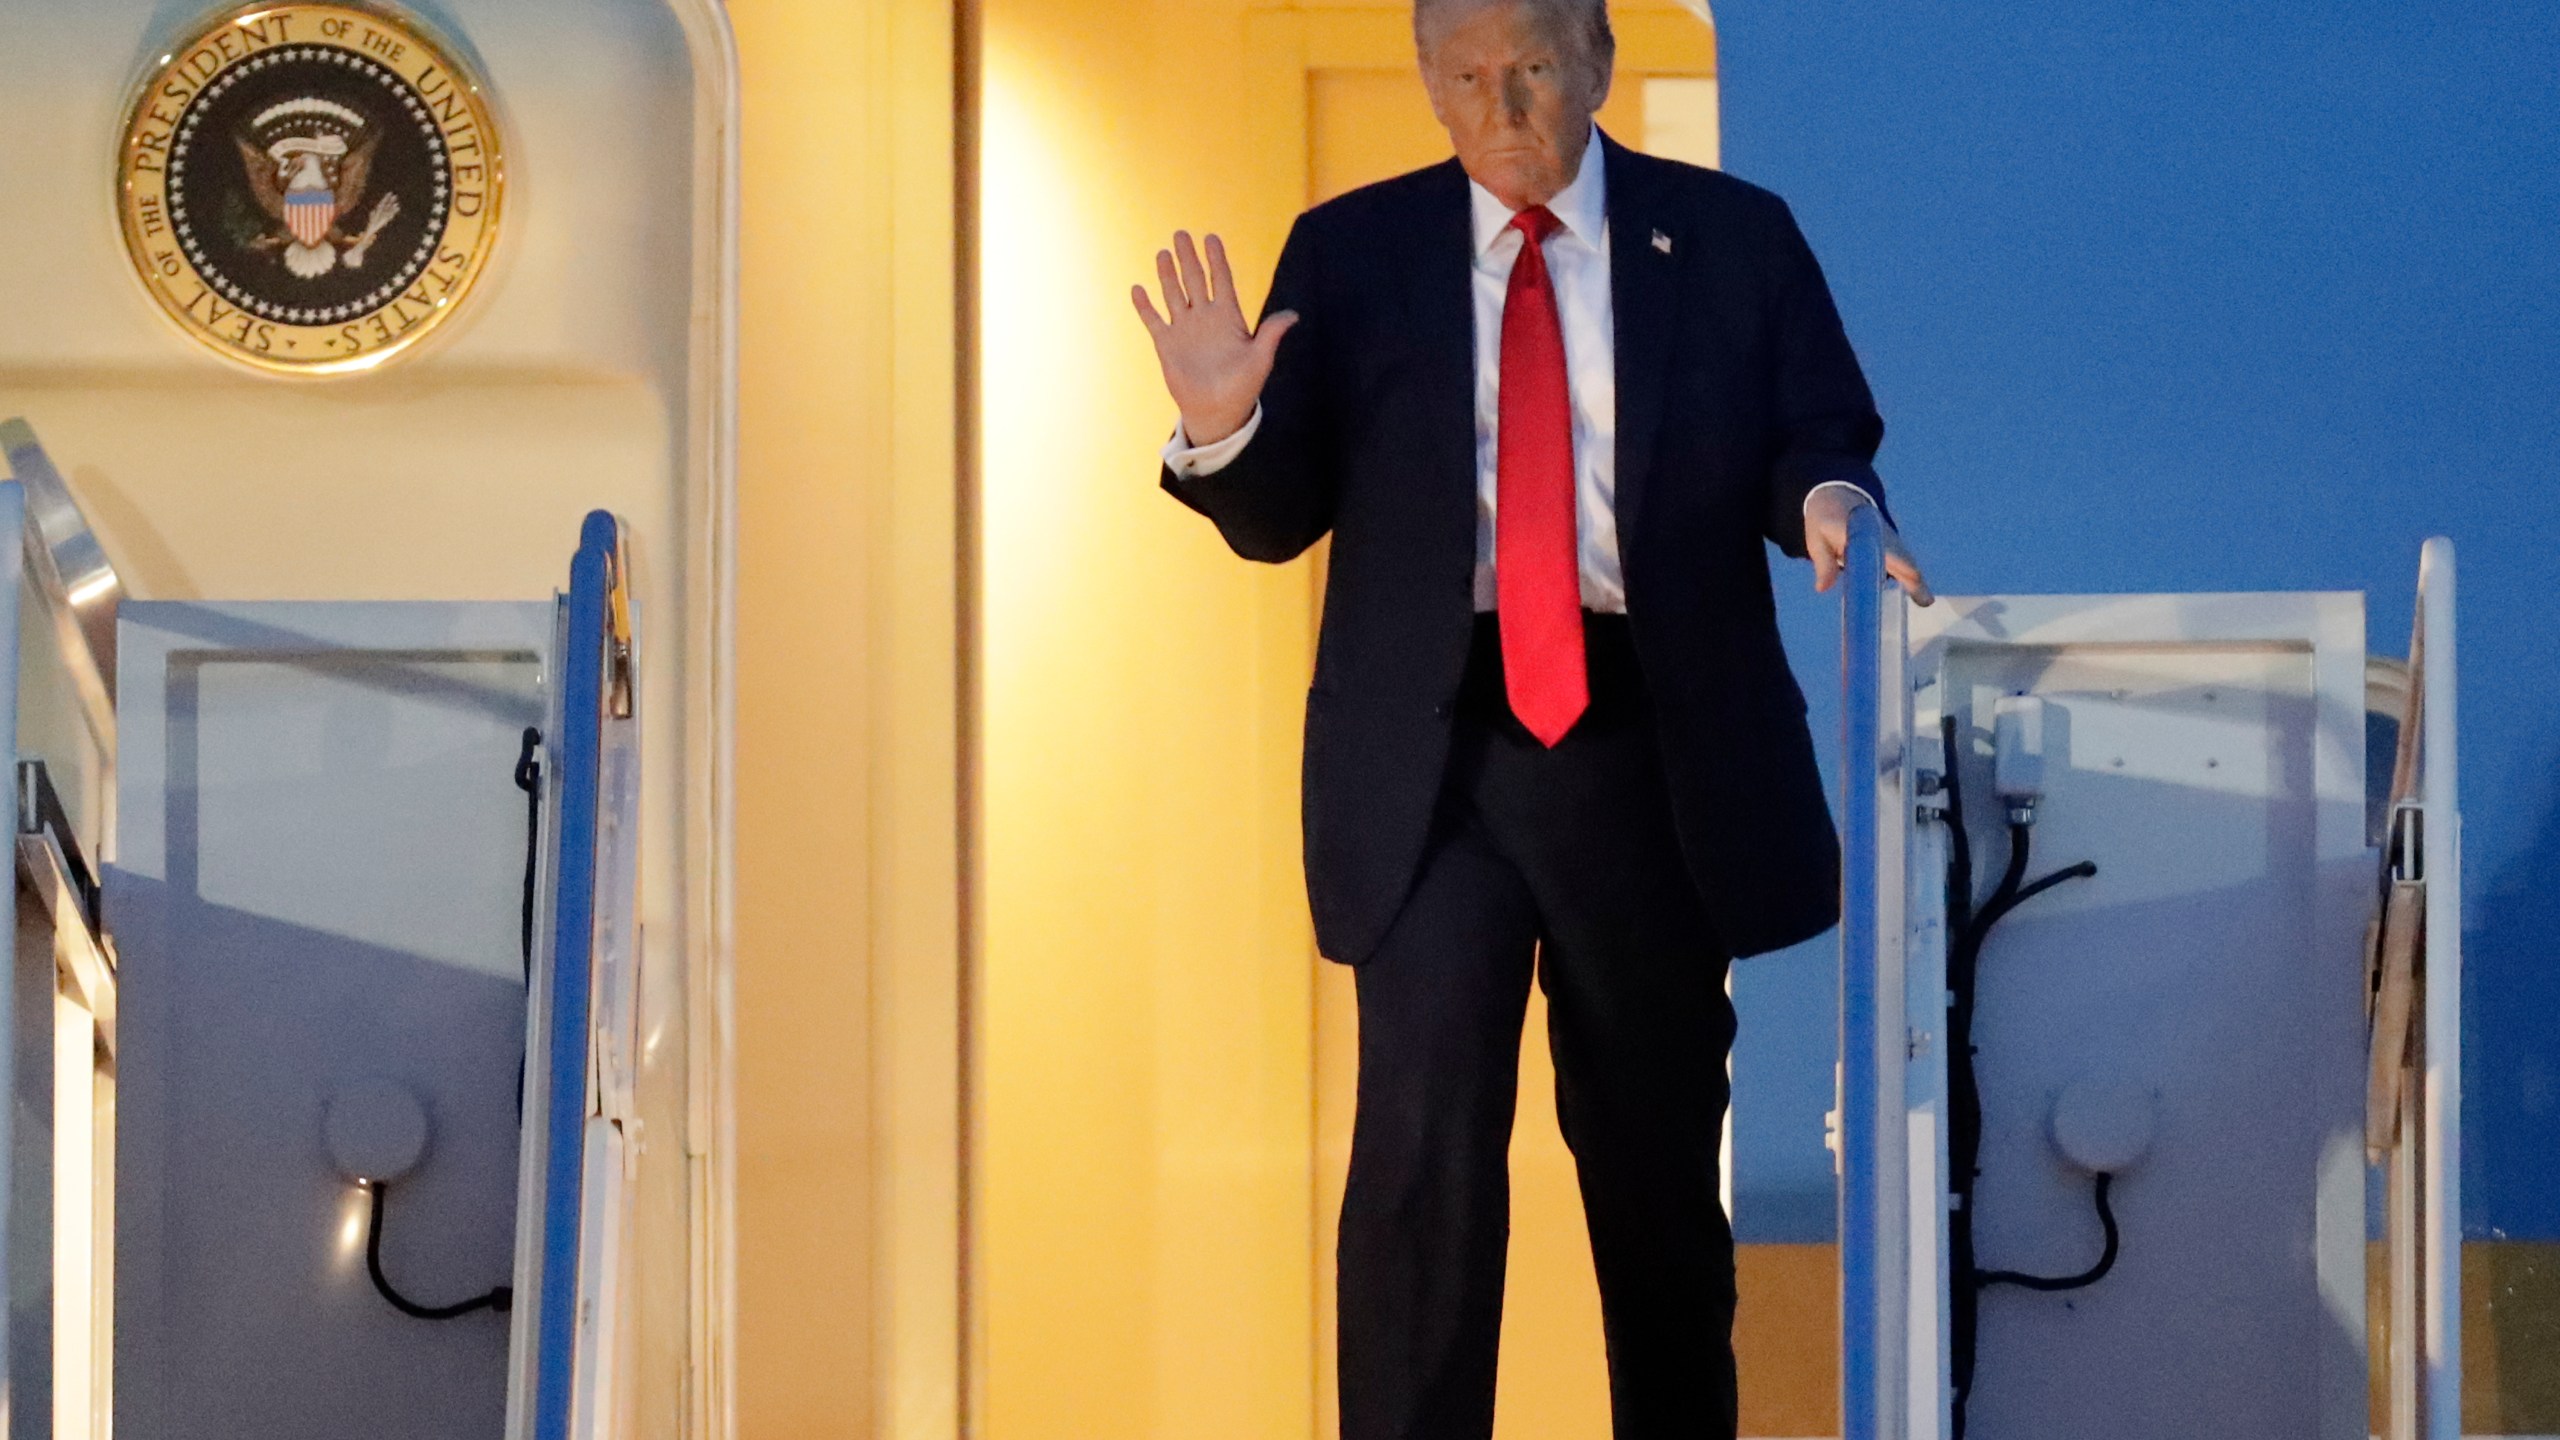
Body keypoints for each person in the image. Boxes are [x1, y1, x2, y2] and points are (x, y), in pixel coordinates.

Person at [1131, 1, 1930, 1435]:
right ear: (1429, 87)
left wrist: (1828, 507)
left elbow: (1821, 433)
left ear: (1600, 66)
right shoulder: (1352, 252)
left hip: (1654, 744)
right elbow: (1277, 516)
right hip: (1438, 761)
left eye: (1533, 69)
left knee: (1655, 1171)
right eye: (1464, 77)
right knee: (1421, 1165)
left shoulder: (1733, 234)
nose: (1501, 106)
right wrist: (1218, 429)